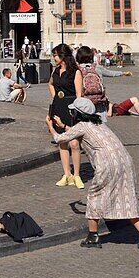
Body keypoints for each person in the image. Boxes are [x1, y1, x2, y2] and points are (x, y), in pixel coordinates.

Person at [56, 98, 139, 253]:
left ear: (77, 113)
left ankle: (93, 236)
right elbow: (80, 133)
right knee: (127, 198)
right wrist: (65, 126)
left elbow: (59, 139)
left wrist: (51, 125)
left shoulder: (81, 126)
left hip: (107, 164)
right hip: (125, 161)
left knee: (94, 196)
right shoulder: (99, 123)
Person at [48, 45, 85, 188]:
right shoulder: (55, 71)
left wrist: (77, 110)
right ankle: (67, 174)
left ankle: (77, 175)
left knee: (74, 142)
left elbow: (79, 94)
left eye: (55, 55)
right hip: (58, 106)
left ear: (63, 56)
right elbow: (50, 84)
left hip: (71, 107)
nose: (54, 58)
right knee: (62, 141)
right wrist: (55, 96)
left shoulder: (75, 72)